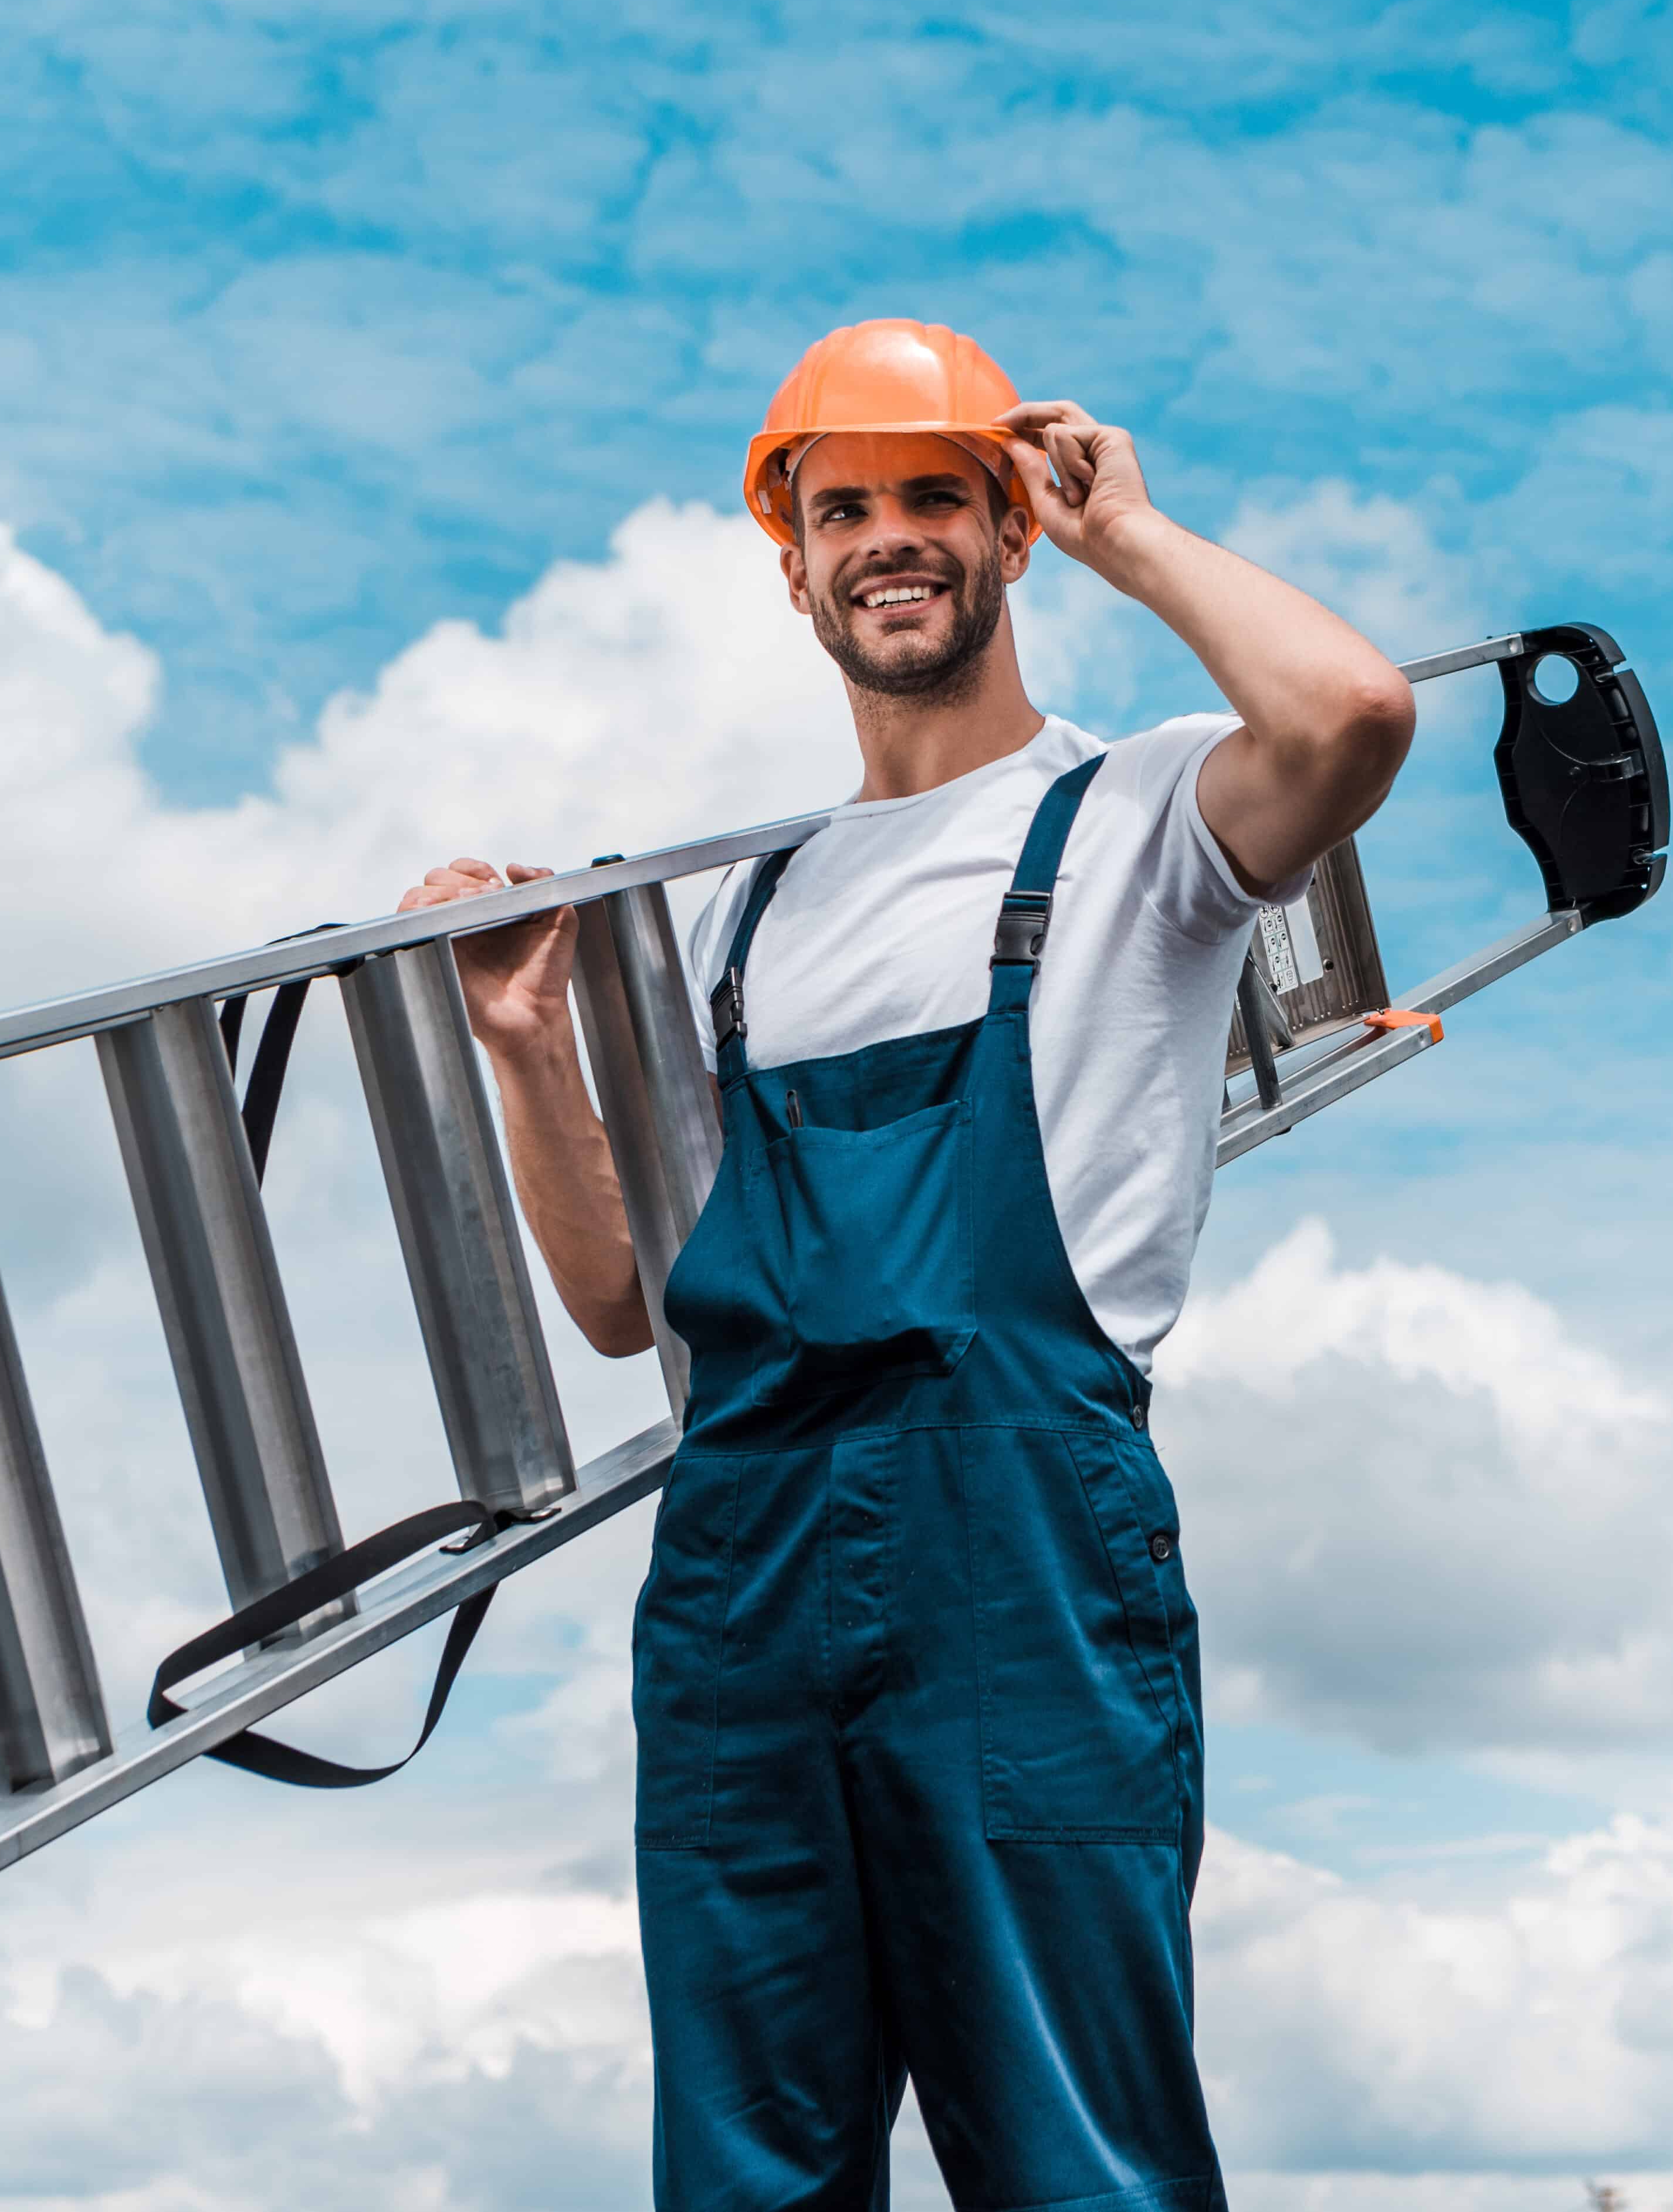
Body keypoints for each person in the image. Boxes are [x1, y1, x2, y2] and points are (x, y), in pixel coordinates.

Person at [398, 321, 1415, 2211]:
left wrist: (1133, 532)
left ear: (1008, 524)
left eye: (934, 495)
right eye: (841, 504)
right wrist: (530, 1048)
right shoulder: (749, 905)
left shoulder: (1140, 815)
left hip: (1015, 1551)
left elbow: (1350, 715)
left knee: (1072, 2159)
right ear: (788, 560)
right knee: (749, 2164)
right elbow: (633, 1298)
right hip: (744, 1571)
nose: (888, 537)